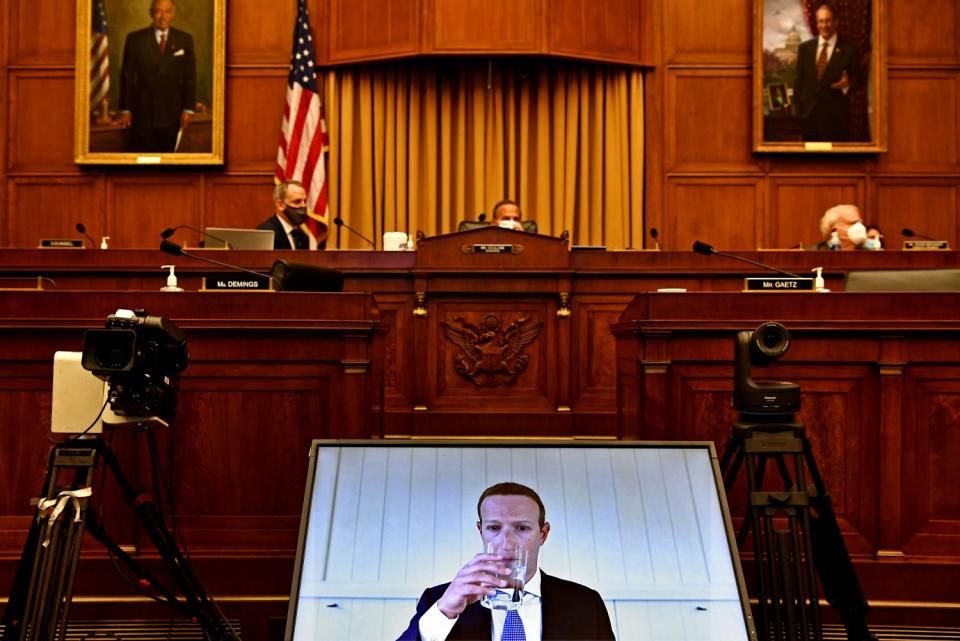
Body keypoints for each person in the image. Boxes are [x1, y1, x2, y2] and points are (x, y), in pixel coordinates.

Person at [396, 482, 615, 641]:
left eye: (521, 528)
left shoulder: (586, 604)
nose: (507, 543)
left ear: (543, 534)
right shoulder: (439, 600)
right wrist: (444, 611)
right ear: (481, 531)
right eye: (494, 528)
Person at [118, 0, 196, 152]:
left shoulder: (185, 40)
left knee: (168, 163)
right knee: (143, 162)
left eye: (167, 12)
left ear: (173, 14)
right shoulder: (135, 39)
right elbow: (127, 76)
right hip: (143, 112)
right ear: (151, 13)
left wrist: (188, 108)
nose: (163, 17)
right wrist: (126, 110)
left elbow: (190, 76)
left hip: (173, 113)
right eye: (158, 11)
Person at [793, 4, 859, 142]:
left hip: (836, 122)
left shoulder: (849, 49)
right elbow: (798, 82)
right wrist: (799, 113)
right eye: (821, 21)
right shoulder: (805, 49)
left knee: (834, 163)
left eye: (828, 20)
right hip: (808, 120)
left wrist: (847, 85)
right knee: (811, 162)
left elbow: (858, 80)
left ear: (836, 22)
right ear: (817, 23)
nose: (824, 25)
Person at [257, 180, 326, 250]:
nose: (303, 206)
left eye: (305, 201)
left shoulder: (302, 235)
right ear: (280, 205)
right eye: (297, 202)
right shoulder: (266, 233)